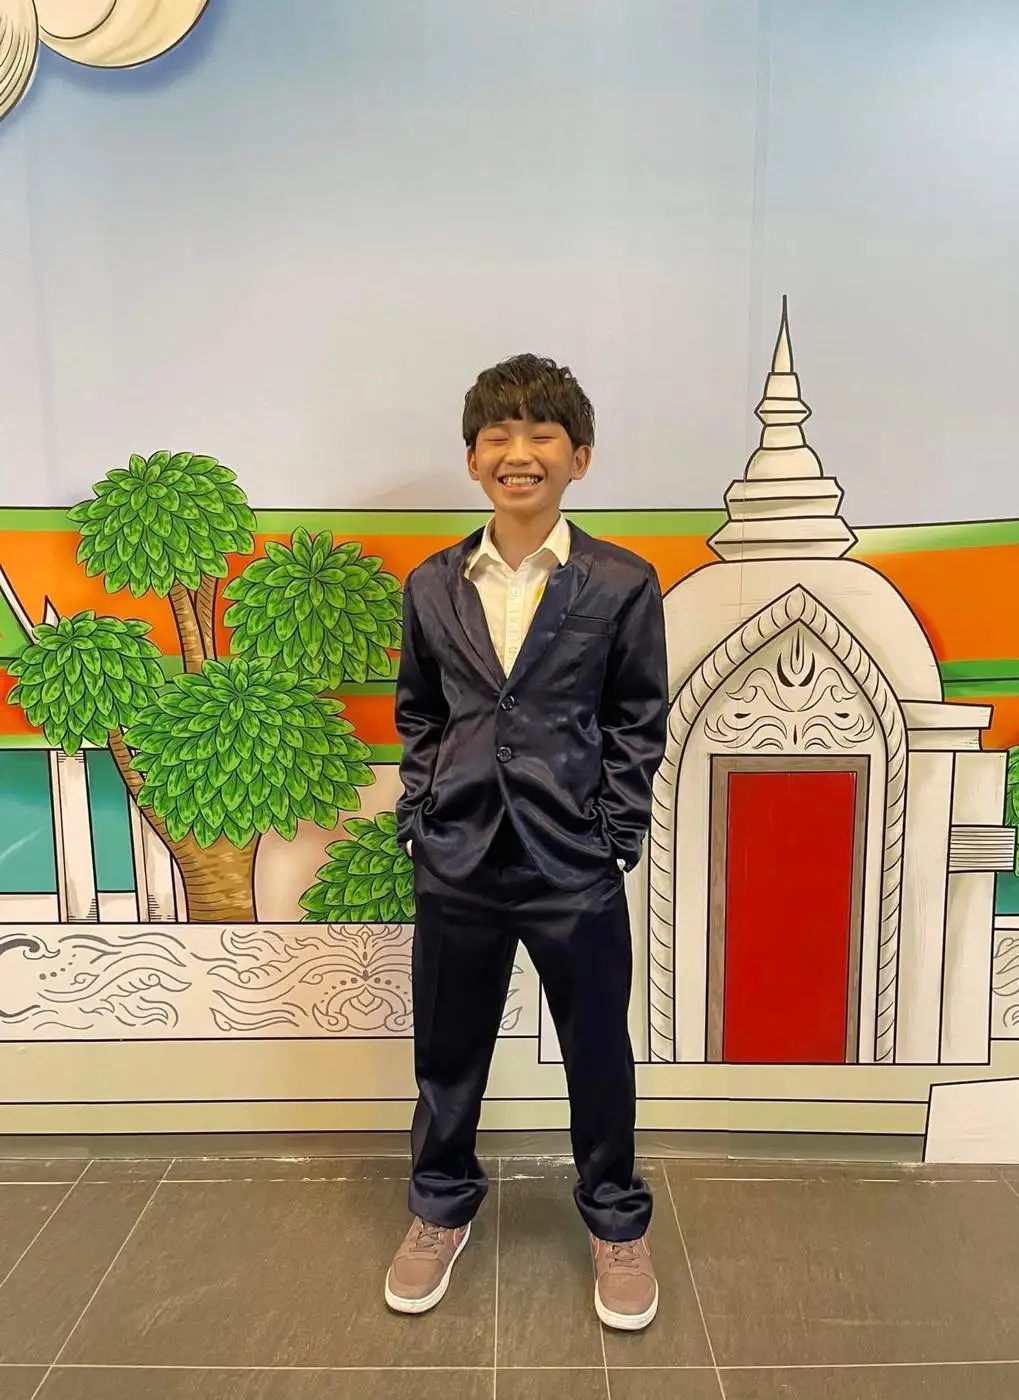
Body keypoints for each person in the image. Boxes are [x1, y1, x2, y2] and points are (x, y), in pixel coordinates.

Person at [385, 353, 669, 1330]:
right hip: (457, 856)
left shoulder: (621, 582)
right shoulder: (431, 584)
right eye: (497, 435)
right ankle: (439, 1206)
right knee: (446, 1050)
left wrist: (613, 835)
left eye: (542, 433)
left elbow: (637, 717)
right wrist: (421, 815)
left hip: (573, 863)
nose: (520, 451)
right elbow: (421, 712)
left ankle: (616, 1219)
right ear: (473, 459)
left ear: (578, 457)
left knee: (599, 1051)